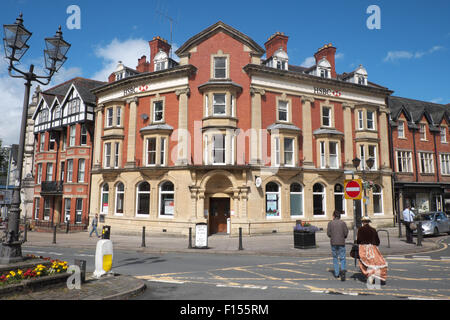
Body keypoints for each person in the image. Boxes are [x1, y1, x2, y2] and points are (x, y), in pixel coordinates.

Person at [356, 216, 388, 284]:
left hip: (364, 248)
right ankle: (372, 275)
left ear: (363, 222)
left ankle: (370, 275)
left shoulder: (360, 229)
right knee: (374, 263)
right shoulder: (373, 229)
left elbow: (358, 240)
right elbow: (377, 241)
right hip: (373, 248)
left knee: (364, 263)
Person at [327, 210, 349, 281]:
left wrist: (332, 236)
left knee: (335, 258)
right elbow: (346, 233)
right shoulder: (343, 223)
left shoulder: (330, 223)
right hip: (341, 242)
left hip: (333, 243)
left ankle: (336, 274)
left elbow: (328, 233)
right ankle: (342, 271)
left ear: (334, 216)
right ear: (339, 216)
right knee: (342, 258)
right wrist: (343, 237)